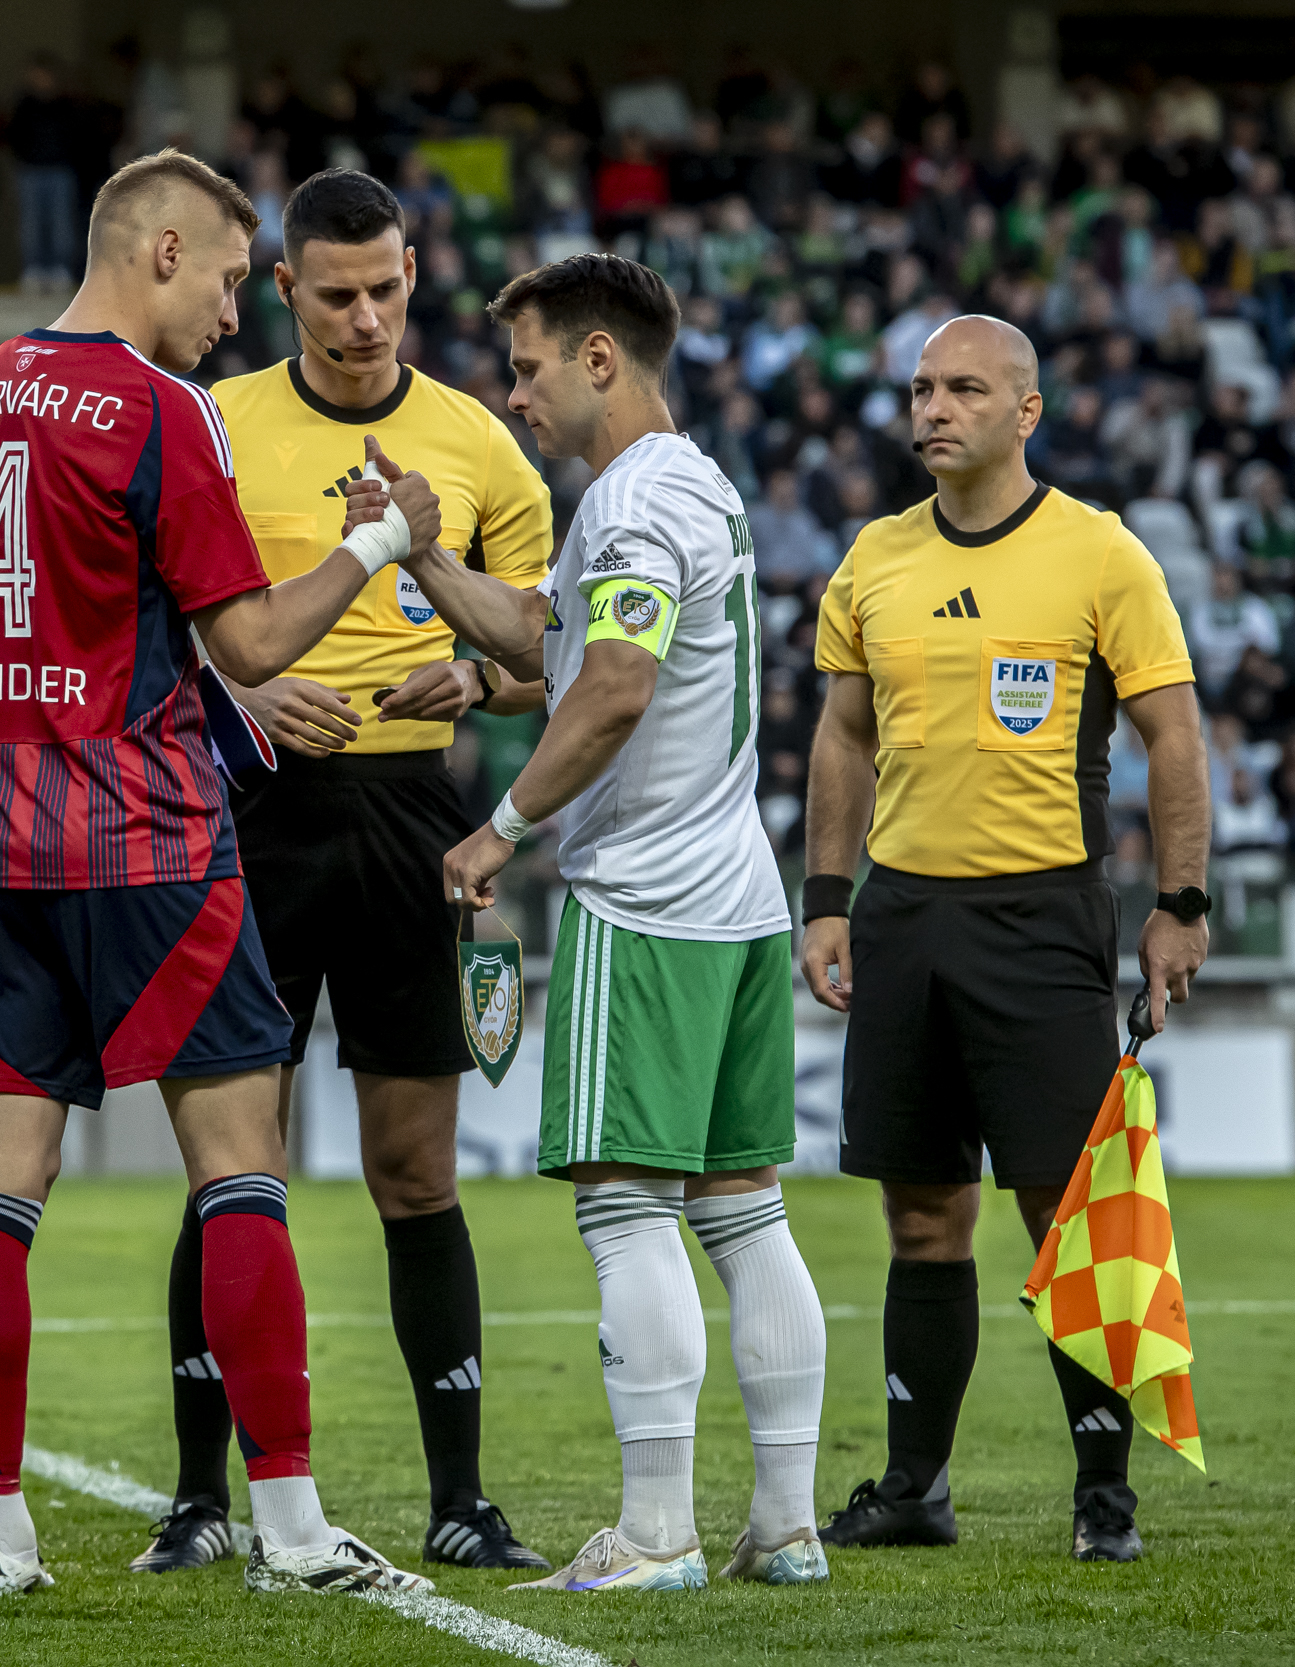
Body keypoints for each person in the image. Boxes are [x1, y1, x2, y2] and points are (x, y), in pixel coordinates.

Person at [0, 149, 442, 1598]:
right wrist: (380, 539)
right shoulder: (160, 410)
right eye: (231, 279)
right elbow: (251, 644)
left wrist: (17, 701)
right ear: (162, 251)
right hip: (150, 838)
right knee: (239, 1163)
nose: (235, 314)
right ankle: (290, 1528)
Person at [130, 166, 553, 1579]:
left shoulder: (478, 443)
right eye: (334, 295)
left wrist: (476, 679)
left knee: (414, 1167)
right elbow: (149, 622)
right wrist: (238, 693)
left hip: (411, 817)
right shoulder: (214, 421)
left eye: (384, 290)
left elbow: (548, 646)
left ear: (413, 272)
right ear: (282, 289)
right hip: (245, 811)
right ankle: (198, 1497)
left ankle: (462, 1498)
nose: (365, 318)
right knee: (231, 1165)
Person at [402, 253, 830, 1594]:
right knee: (744, 1212)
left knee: (623, 1208)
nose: (515, 393)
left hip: (646, 899)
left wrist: (498, 828)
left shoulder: (633, 499)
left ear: (600, 358)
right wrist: (427, 559)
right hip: (738, 891)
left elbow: (616, 683)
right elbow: (547, 637)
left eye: (529, 366)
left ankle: (654, 1533)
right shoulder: (689, 484)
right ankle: (787, 1524)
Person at [798, 315, 1209, 1565]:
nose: (933, 407)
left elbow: (1173, 737)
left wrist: (1181, 903)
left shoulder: (1099, 552)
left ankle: (1104, 1499)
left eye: (965, 388)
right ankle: (913, 1487)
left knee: (1064, 1215)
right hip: (902, 917)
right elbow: (842, 736)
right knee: (922, 1216)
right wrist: (826, 895)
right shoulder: (873, 556)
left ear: (1026, 410)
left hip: (1041, 919)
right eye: (922, 387)